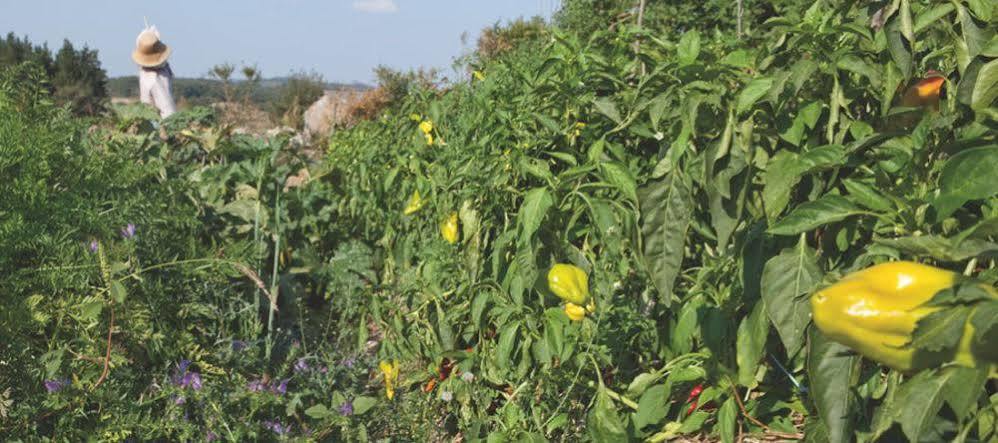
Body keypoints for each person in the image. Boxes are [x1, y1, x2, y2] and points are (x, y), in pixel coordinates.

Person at [132, 25, 177, 118]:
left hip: (153, 118)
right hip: (161, 121)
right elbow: (167, 109)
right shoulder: (152, 79)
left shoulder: (158, 70)